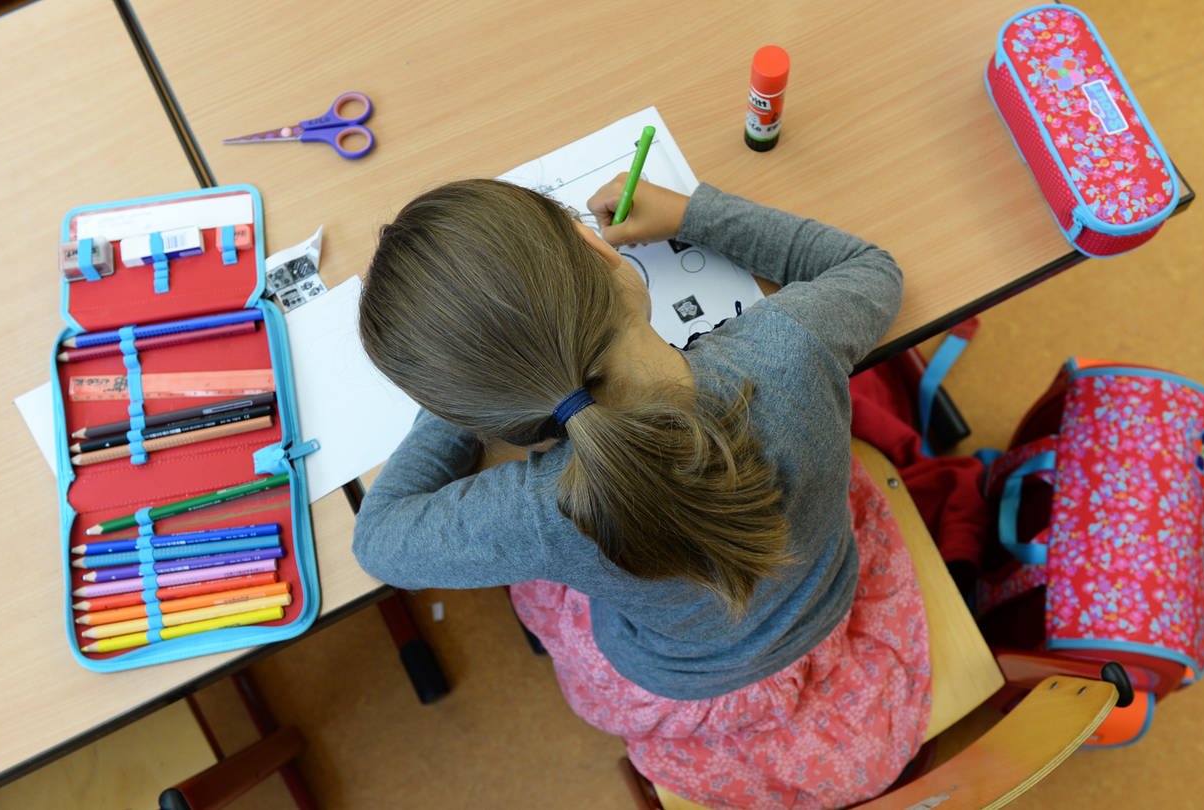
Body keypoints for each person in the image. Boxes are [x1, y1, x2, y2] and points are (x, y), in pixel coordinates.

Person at [354, 175, 930, 809]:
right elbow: (872, 269)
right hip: (823, 597)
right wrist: (694, 213)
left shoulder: (533, 513)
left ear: (482, 412)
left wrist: (475, 385)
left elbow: (379, 542)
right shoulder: (793, 346)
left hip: (685, 682)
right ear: (600, 252)